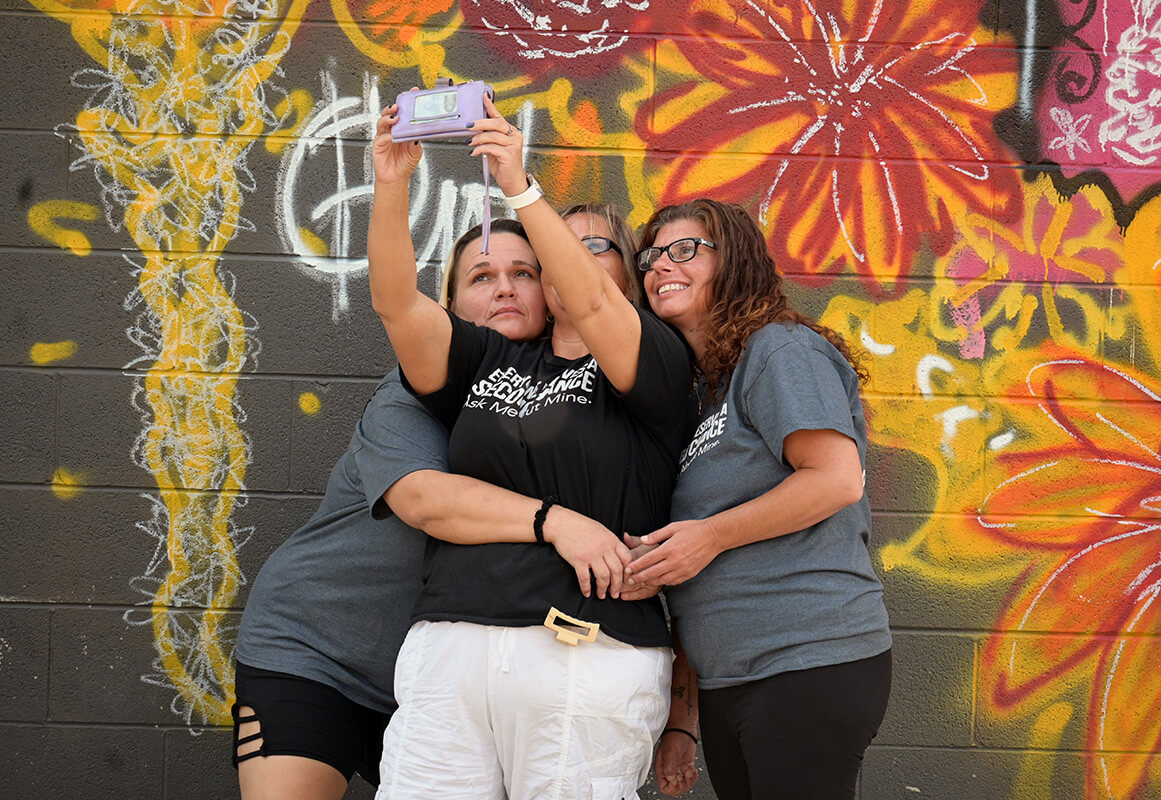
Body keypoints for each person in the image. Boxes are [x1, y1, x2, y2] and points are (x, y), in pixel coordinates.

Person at [232, 219, 639, 800]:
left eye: (523, 273)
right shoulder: (410, 392)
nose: (504, 288)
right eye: (481, 276)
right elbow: (425, 501)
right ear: (448, 306)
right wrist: (558, 522)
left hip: (444, 674)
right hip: (318, 651)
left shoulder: (584, 399)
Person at [367, 94, 694, 799]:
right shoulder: (490, 359)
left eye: (591, 245)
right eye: (553, 247)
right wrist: (392, 184)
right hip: (451, 644)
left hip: (587, 652)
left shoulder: (656, 361)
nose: (565, 258)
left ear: (627, 272)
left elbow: (600, 308)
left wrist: (519, 185)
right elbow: (398, 304)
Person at [625, 199, 893, 800]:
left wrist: (709, 536)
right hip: (731, 677)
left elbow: (835, 479)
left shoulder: (778, 350)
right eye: (652, 256)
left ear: (736, 262)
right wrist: (683, 722)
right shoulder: (704, 394)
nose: (661, 266)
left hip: (805, 659)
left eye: (685, 249)